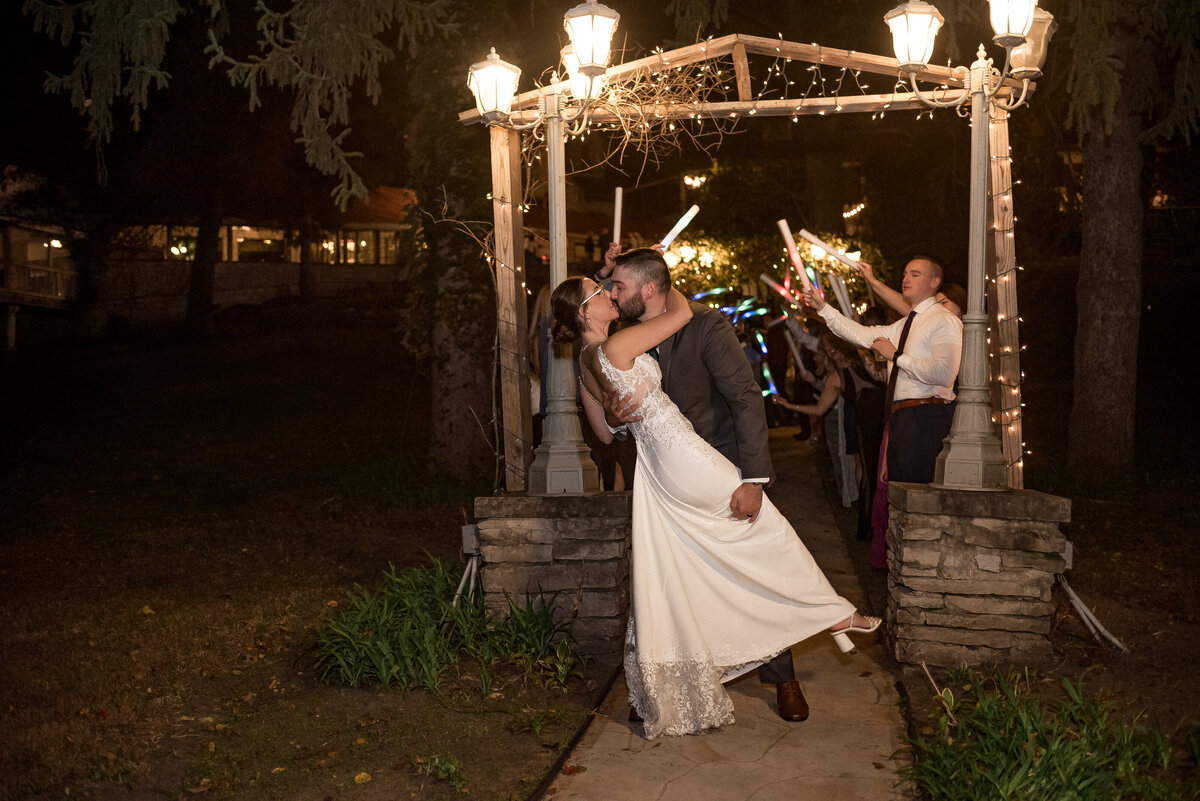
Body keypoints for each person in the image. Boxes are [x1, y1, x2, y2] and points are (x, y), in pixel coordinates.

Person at [576, 247, 879, 737]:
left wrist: (754, 478)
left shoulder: (706, 326)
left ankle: (784, 679)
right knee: (672, 575)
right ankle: (668, 685)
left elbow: (744, 399)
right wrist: (616, 414)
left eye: (619, 286)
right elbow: (615, 406)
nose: (612, 292)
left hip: (720, 460)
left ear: (648, 289)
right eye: (608, 288)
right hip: (663, 470)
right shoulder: (621, 335)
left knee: (754, 561)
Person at [803, 255, 962, 487]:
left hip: (925, 416)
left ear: (934, 281)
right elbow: (859, 333)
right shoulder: (904, 325)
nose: (906, 278)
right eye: (905, 274)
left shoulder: (943, 320)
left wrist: (896, 357)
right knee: (899, 496)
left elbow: (944, 373)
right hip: (900, 417)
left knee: (917, 493)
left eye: (915, 274)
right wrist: (823, 308)